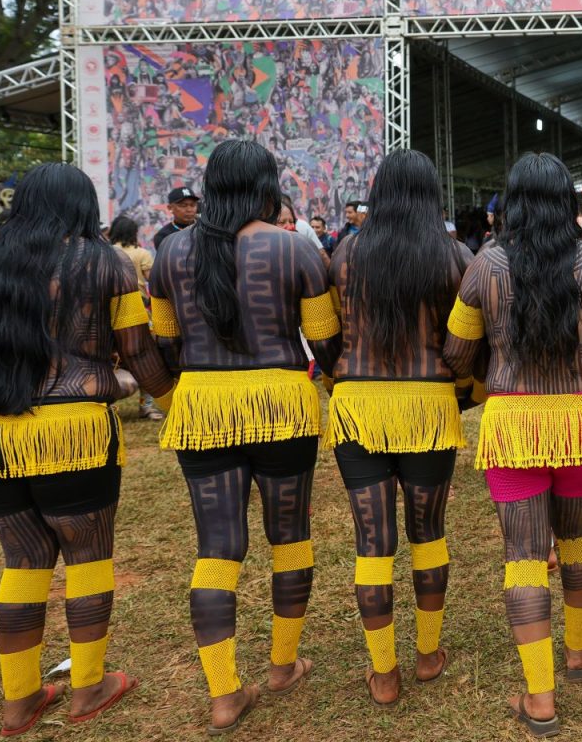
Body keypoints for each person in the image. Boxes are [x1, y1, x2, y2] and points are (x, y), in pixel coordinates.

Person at [444, 153, 582, 736]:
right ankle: (578, 653)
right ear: (567, 202)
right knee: (579, 539)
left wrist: (492, 362)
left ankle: (540, 696)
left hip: (514, 421)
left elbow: (457, 353)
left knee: (525, 556)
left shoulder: (486, 264)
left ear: (514, 202)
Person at [150, 140, 340, 733]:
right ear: (266, 187)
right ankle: (283, 666)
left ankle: (224, 693)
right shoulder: (294, 248)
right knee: (290, 536)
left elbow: (164, 341)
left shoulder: (170, 252)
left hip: (203, 407)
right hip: (281, 404)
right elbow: (325, 341)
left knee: (217, 549)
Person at [0, 164, 175, 733]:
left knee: (22, 563)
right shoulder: (105, 263)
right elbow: (137, 351)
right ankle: (89, 686)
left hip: (3, 434)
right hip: (77, 428)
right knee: (88, 558)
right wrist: (175, 401)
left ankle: (19, 700)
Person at [325, 151, 473, 704]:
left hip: (359, 403)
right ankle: (428, 655)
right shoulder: (453, 255)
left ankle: (384, 673)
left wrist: (341, 379)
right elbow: (465, 342)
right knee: (428, 533)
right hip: (428, 404)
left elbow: (327, 335)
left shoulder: (346, 253)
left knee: (373, 542)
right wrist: (460, 387)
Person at [108, 216, 165, 423]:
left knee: (107, 360)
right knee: (145, 359)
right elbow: (153, 279)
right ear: (134, 232)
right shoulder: (142, 253)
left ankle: (107, 406)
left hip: (110, 314)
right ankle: (146, 407)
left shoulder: (107, 252)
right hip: (138, 313)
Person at [153, 185, 199, 250]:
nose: (189, 210)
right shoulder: (164, 236)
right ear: (170, 208)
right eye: (183, 205)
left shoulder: (206, 229)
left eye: (193, 205)